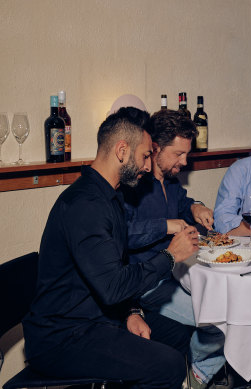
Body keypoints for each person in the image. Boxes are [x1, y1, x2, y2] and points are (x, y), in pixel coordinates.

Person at [23, 107, 199, 389]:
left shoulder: (111, 195)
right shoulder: (85, 206)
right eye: (144, 156)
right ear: (121, 151)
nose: (146, 166)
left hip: (97, 318)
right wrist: (170, 256)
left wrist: (131, 312)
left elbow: (117, 266)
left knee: (176, 334)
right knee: (169, 365)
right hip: (62, 337)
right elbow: (114, 285)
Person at [121, 109, 229, 389]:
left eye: (186, 154)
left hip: (175, 275)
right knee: (220, 324)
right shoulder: (133, 182)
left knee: (231, 311)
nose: (184, 161)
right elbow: (122, 234)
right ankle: (197, 378)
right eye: (178, 154)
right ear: (154, 147)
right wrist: (165, 226)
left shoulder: (169, 179)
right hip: (146, 287)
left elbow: (181, 204)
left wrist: (195, 206)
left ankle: (194, 374)